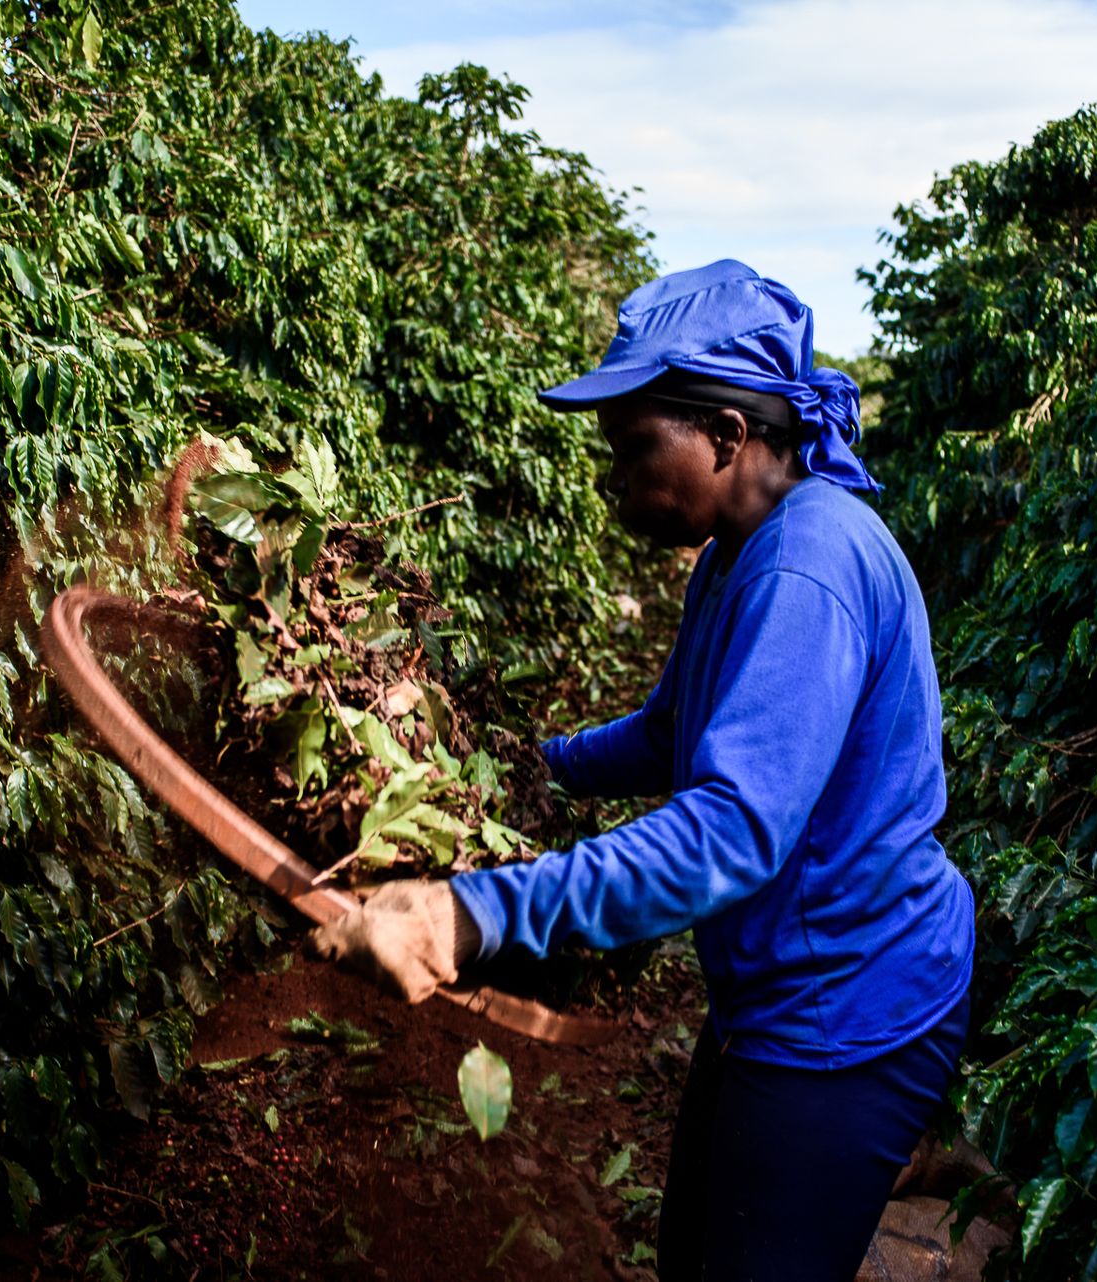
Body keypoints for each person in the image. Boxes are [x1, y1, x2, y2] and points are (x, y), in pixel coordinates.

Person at [307, 260, 975, 1282]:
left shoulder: (809, 565)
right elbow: (672, 732)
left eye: (631, 448)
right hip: (774, 985)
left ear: (727, 435)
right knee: (694, 1250)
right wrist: (529, 771)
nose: (612, 479)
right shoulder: (736, 550)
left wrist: (468, 915)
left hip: (850, 1005)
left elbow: (730, 832)